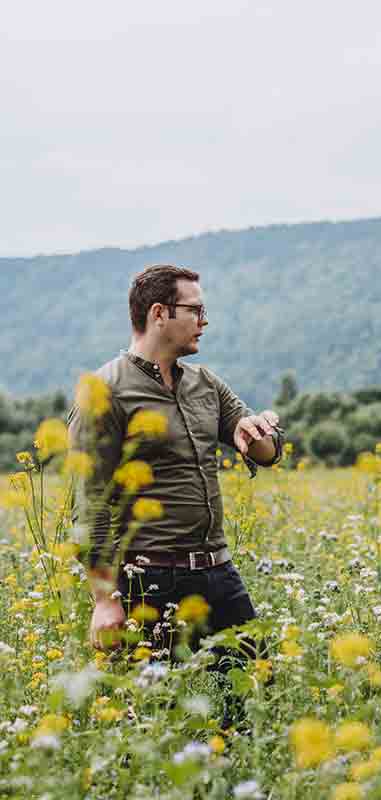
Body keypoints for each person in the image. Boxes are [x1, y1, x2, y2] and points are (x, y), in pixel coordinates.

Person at [68, 264, 283, 718]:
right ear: (160, 313)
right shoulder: (104, 391)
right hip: (149, 580)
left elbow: (264, 452)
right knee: (152, 717)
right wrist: (105, 601)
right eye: (197, 310)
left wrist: (256, 429)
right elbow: (90, 505)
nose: (205, 321)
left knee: (255, 698)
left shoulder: (207, 384)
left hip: (218, 573)